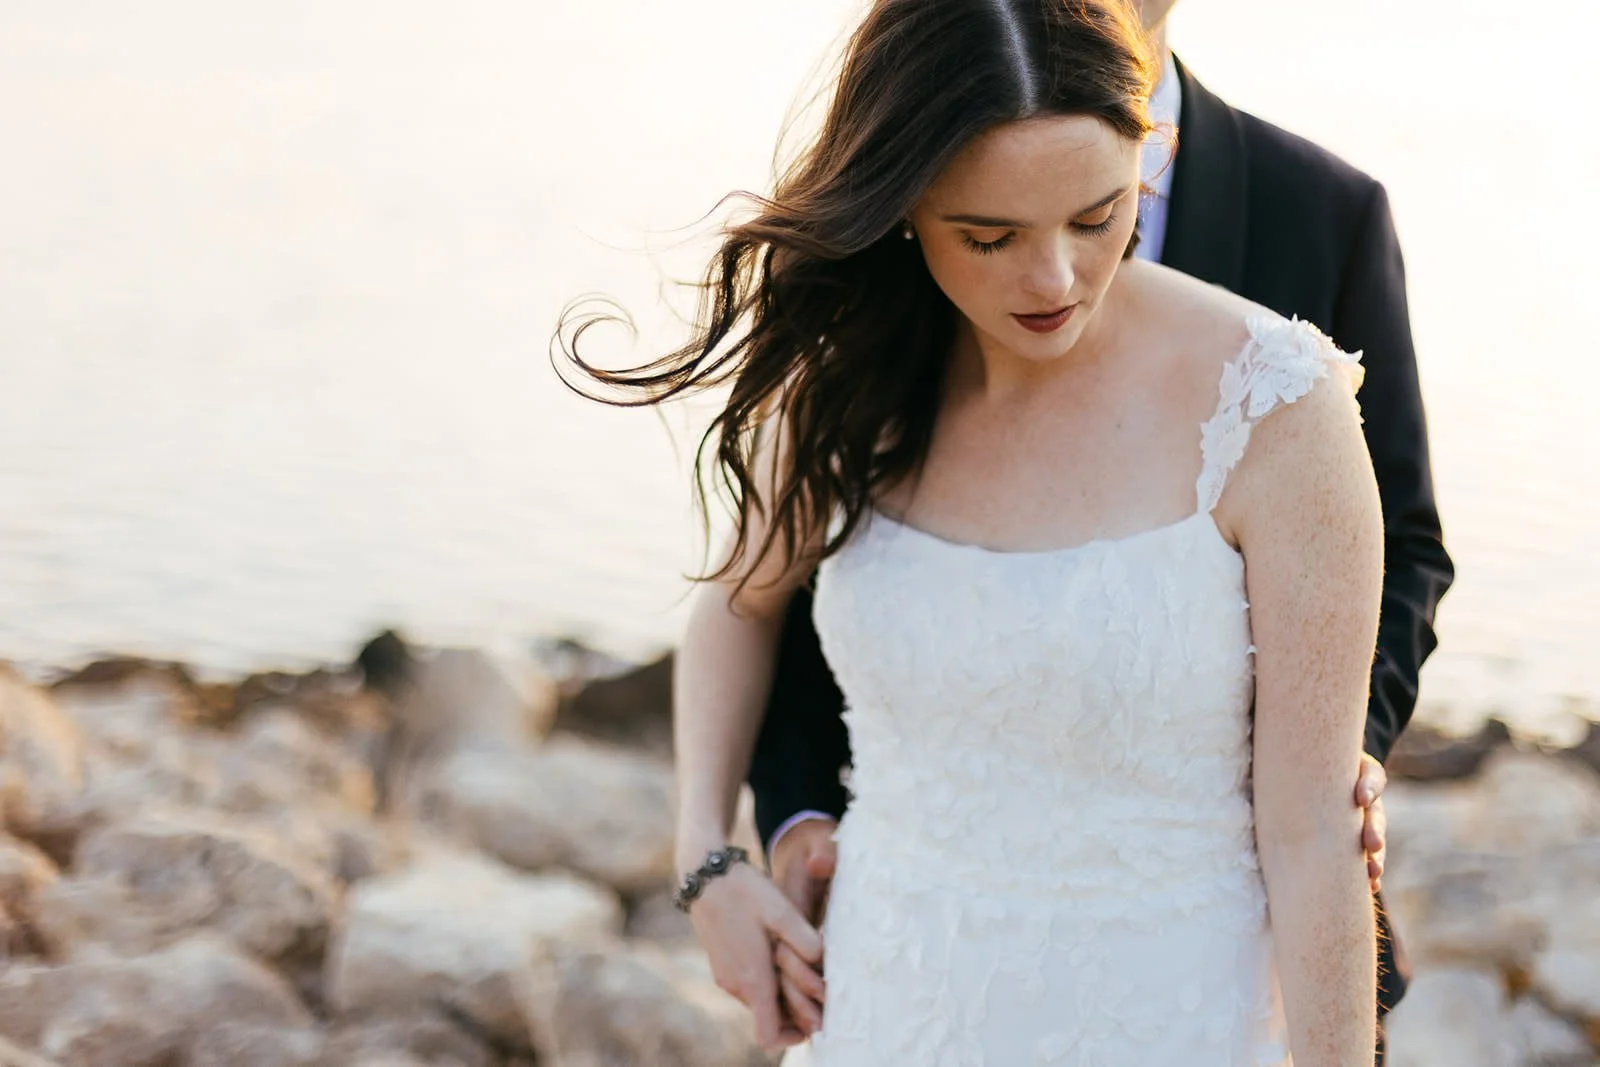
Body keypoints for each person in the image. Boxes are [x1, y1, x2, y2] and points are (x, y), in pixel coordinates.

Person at [559, 1, 1431, 1063]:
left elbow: (1310, 836)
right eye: (991, 236)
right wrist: (707, 854)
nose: (1056, 278)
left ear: (1143, 164)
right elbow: (739, 603)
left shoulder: (1276, 403)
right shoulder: (848, 381)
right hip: (893, 1003)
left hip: (1175, 1007)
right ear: (907, 206)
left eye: (1098, 214)